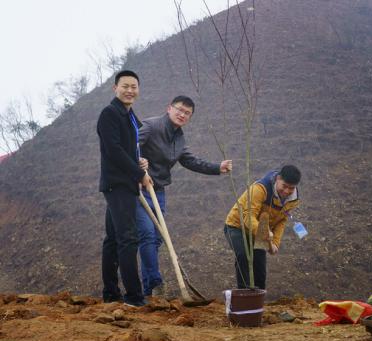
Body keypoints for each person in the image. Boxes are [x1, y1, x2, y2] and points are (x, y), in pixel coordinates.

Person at [137, 95, 232, 296]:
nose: (182, 114)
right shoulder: (151, 126)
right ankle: (155, 283)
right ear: (169, 108)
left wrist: (218, 168)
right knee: (146, 233)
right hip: (138, 188)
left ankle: (149, 290)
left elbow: (190, 161)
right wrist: (137, 170)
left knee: (155, 239)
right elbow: (130, 146)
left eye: (187, 113)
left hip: (158, 190)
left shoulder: (179, 139)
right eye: (179, 109)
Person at [97, 70, 152, 307]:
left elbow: (128, 151)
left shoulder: (129, 116)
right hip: (118, 184)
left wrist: (141, 162)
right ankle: (134, 297)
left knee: (113, 239)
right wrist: (139, 174)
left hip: (124, 183)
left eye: (134, 86)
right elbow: (114, 150)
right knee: (128, 239)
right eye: (125, 86)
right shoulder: (109, 114)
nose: (130, 90)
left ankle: (111, 293)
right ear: (115, 88)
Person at [224, 165, 301, 290]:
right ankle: (244, 295)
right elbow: (248, 217)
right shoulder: (260, 189)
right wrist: (264, 232)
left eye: (291, 188)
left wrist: (275, 242)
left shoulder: (293, 199)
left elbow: (282, 219)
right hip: (237, 226)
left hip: (261, 232)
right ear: (278, 178)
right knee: (244, 255)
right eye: (284, 186)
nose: (287, 191)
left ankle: (258, 299)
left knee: (259, 266)